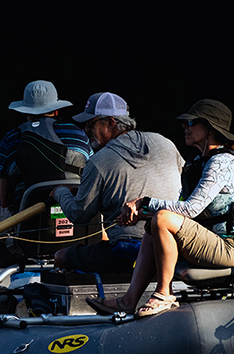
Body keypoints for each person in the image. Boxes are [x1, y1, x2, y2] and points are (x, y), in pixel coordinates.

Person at [87, 99, 234, 317]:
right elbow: (179, 209)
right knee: (154, 223)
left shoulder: (221, 162)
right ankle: (128, 301)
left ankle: (164, 295)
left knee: (161, 219)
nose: (184, 127)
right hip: (213, 242)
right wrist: (140, 214)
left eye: (189, 123)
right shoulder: (200, 162)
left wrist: (144, 202)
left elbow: (190, 209)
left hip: (232, 248)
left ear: (209, 128)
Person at [0, 80, 92, 283]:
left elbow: (4, 201)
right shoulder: (79, 135)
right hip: (78, 223)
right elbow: (93, 179)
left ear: (25, 112)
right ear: (55, 110)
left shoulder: (12, 138)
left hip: (28, 229)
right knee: (100, 216)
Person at [51, 92, 184, 273]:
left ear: (111, 123)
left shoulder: (98, 162)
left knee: (61, 256)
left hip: (125, 253)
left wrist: (60, 192)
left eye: (91, 124)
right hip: (173, 245)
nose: (85, 130)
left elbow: (78, 215)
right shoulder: (165, 143)